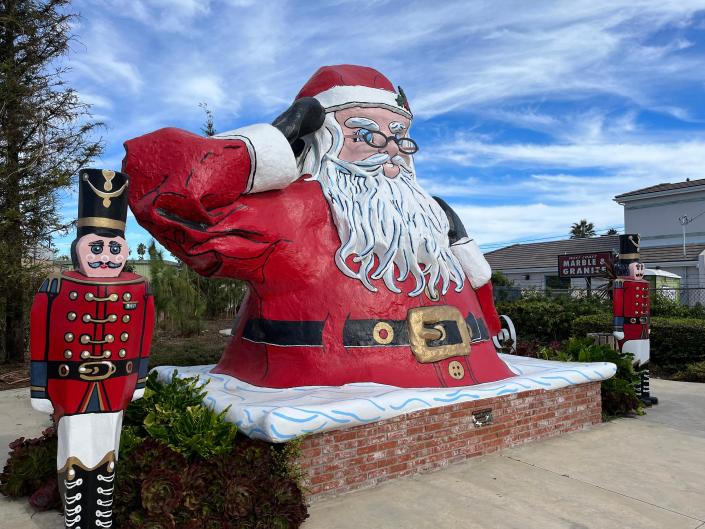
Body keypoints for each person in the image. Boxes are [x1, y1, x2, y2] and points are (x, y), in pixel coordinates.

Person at [124, 64, 514, 388]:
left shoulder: (435, 217)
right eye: (366, 133)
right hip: (335, 396)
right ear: (320, 138)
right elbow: (169, 188)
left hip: (479, 386)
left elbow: (482, 295)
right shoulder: (297, 210)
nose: (391, 148)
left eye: (399, 135)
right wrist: (276, 141)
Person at [29, 168, 155, 528]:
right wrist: (39, 387)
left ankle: (100, 516)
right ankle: (76, 517)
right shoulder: (54, 286)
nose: (106, 257)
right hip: (70, 388)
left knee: (107, 452)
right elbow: (40, 336)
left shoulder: (139, 288)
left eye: (114, 248)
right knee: (73, 452)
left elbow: (144, 335)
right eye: (96, 247)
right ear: (79, 248)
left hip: (116, 388)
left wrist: (140, 380)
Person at [613, 233, 657, 405]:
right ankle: (634, 394)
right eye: (635, 266)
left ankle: (644, 392)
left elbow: (646, 307)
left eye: (640, 267)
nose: (639, 270)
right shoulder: (621, 283)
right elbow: (618, 307)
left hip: (643, 330)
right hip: (629, 330)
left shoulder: (644, 284)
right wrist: (617, 329)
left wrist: (649, 325)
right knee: (633, 362)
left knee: (644, 362)